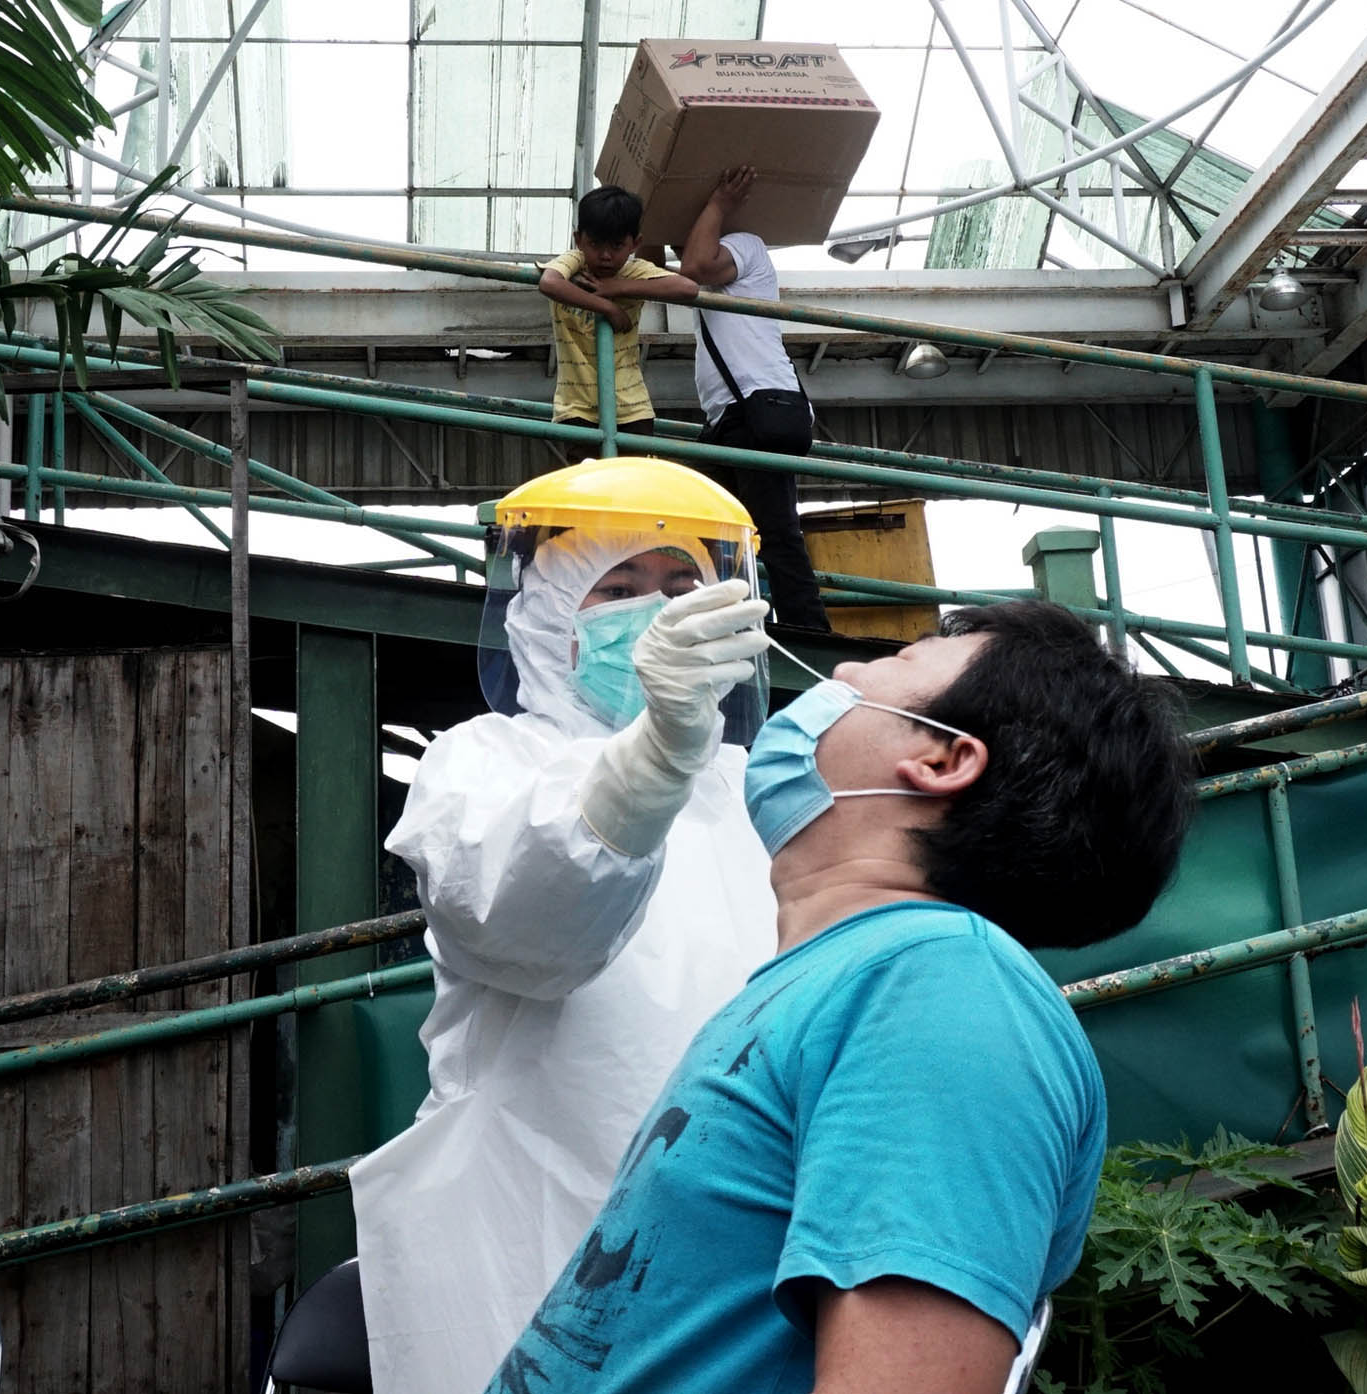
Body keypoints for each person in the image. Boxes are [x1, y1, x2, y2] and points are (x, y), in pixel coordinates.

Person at [487, 601, 1196, 1393]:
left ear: (942, 759)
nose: (841, 674)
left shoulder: (941, 989)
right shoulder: (847, 980)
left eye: (895, 663)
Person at [351, 457, 780, 1394]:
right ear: (547, 620)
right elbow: (533, 926)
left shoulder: (755, 787)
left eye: (681, 584)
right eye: (617, 590)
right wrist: (652, 761)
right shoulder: (485, 764)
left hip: (748, 1245)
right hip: (544, 1228)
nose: (659, 610)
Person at [677, 165, 831, 632]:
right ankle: (725, 622)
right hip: (732, 417)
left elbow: (695, 266)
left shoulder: (747, 246)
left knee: (776, 531)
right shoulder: (708, 277)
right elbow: (654, 267)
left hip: (758, 411)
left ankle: (808, 632)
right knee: (706, 525)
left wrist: (719, 202)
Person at [537, 188, 699, 464]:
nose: (605, 256)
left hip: (633, 409)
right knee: (591, 494)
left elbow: (689, 288)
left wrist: (618, 286)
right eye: (596, 244)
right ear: (579, 239)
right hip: (577, 409)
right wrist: (608, 307)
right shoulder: (572, 263)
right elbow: (549, 283)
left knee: (631, 493)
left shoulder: (632, 272)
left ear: (635, 244)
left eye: (616, 246)